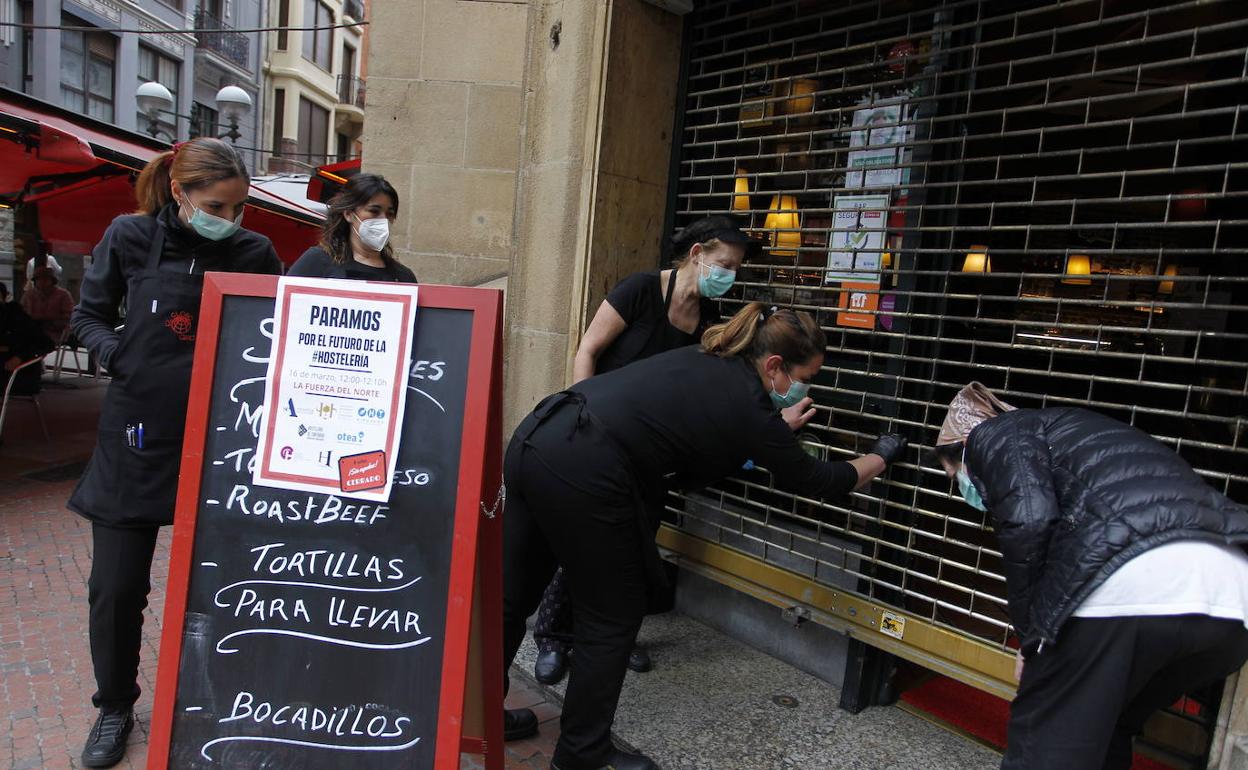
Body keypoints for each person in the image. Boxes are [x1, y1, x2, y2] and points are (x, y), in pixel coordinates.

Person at [502, 302, 908, 770]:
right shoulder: (749, 402)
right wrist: (880, 456)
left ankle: (477, 711)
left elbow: (703, 449)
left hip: (539, 432)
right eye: (806, 376)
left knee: (511, 598)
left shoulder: (708, 358)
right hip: (586, 466)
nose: (803, 388)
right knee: (611, 617)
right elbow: (818, 481)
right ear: (775, 365)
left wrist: (770, 432)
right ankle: (581, 755)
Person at [68, 137, 282, 769]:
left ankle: (225, 696)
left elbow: (285, 333)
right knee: (114, 586)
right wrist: (115, 354)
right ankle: (113, 706)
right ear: (181, 192)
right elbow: (88, 317)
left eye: (241, 207)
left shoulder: (255, 253)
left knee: (226, 583)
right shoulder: (128, 237)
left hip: (224, 442)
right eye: (219, 204)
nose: (232, 219)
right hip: (135, 436)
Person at [533, 215, 811, 686]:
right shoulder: (641, 290)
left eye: (737, 268)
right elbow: (588, 350)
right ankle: (555, 636)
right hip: (599, 441)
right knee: (584, 543)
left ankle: (617, 639)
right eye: (725, 263)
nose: (730, 275)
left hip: (652, 456)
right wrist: (583, 416)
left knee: (635, 550)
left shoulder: (707, 322)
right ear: (698, 253)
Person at [933, 382, 1248, 770]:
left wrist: (1034, 639)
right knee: (1109, 729)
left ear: (962, 449)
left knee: (1044, 748)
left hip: (1129, 583)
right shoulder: (1073, 433)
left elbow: (1030, 520)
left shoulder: (995, 433)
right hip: (1233, 605)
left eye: (955, 478)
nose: (964, 489)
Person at [285, 172, 416, 282]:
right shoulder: (316, 262)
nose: (383, 219)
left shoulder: (403, 277)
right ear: (349, 214)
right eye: (374, 211)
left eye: (390, 214)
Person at [21, 265, 75, 346]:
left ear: (52, 280)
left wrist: (50, 320)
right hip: (31, 330)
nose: (42, 282)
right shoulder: (29, 295)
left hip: (55, 332)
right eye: (38, 279)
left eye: (45, 279)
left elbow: (69, 316)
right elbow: (21, 312)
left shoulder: (63, 295)